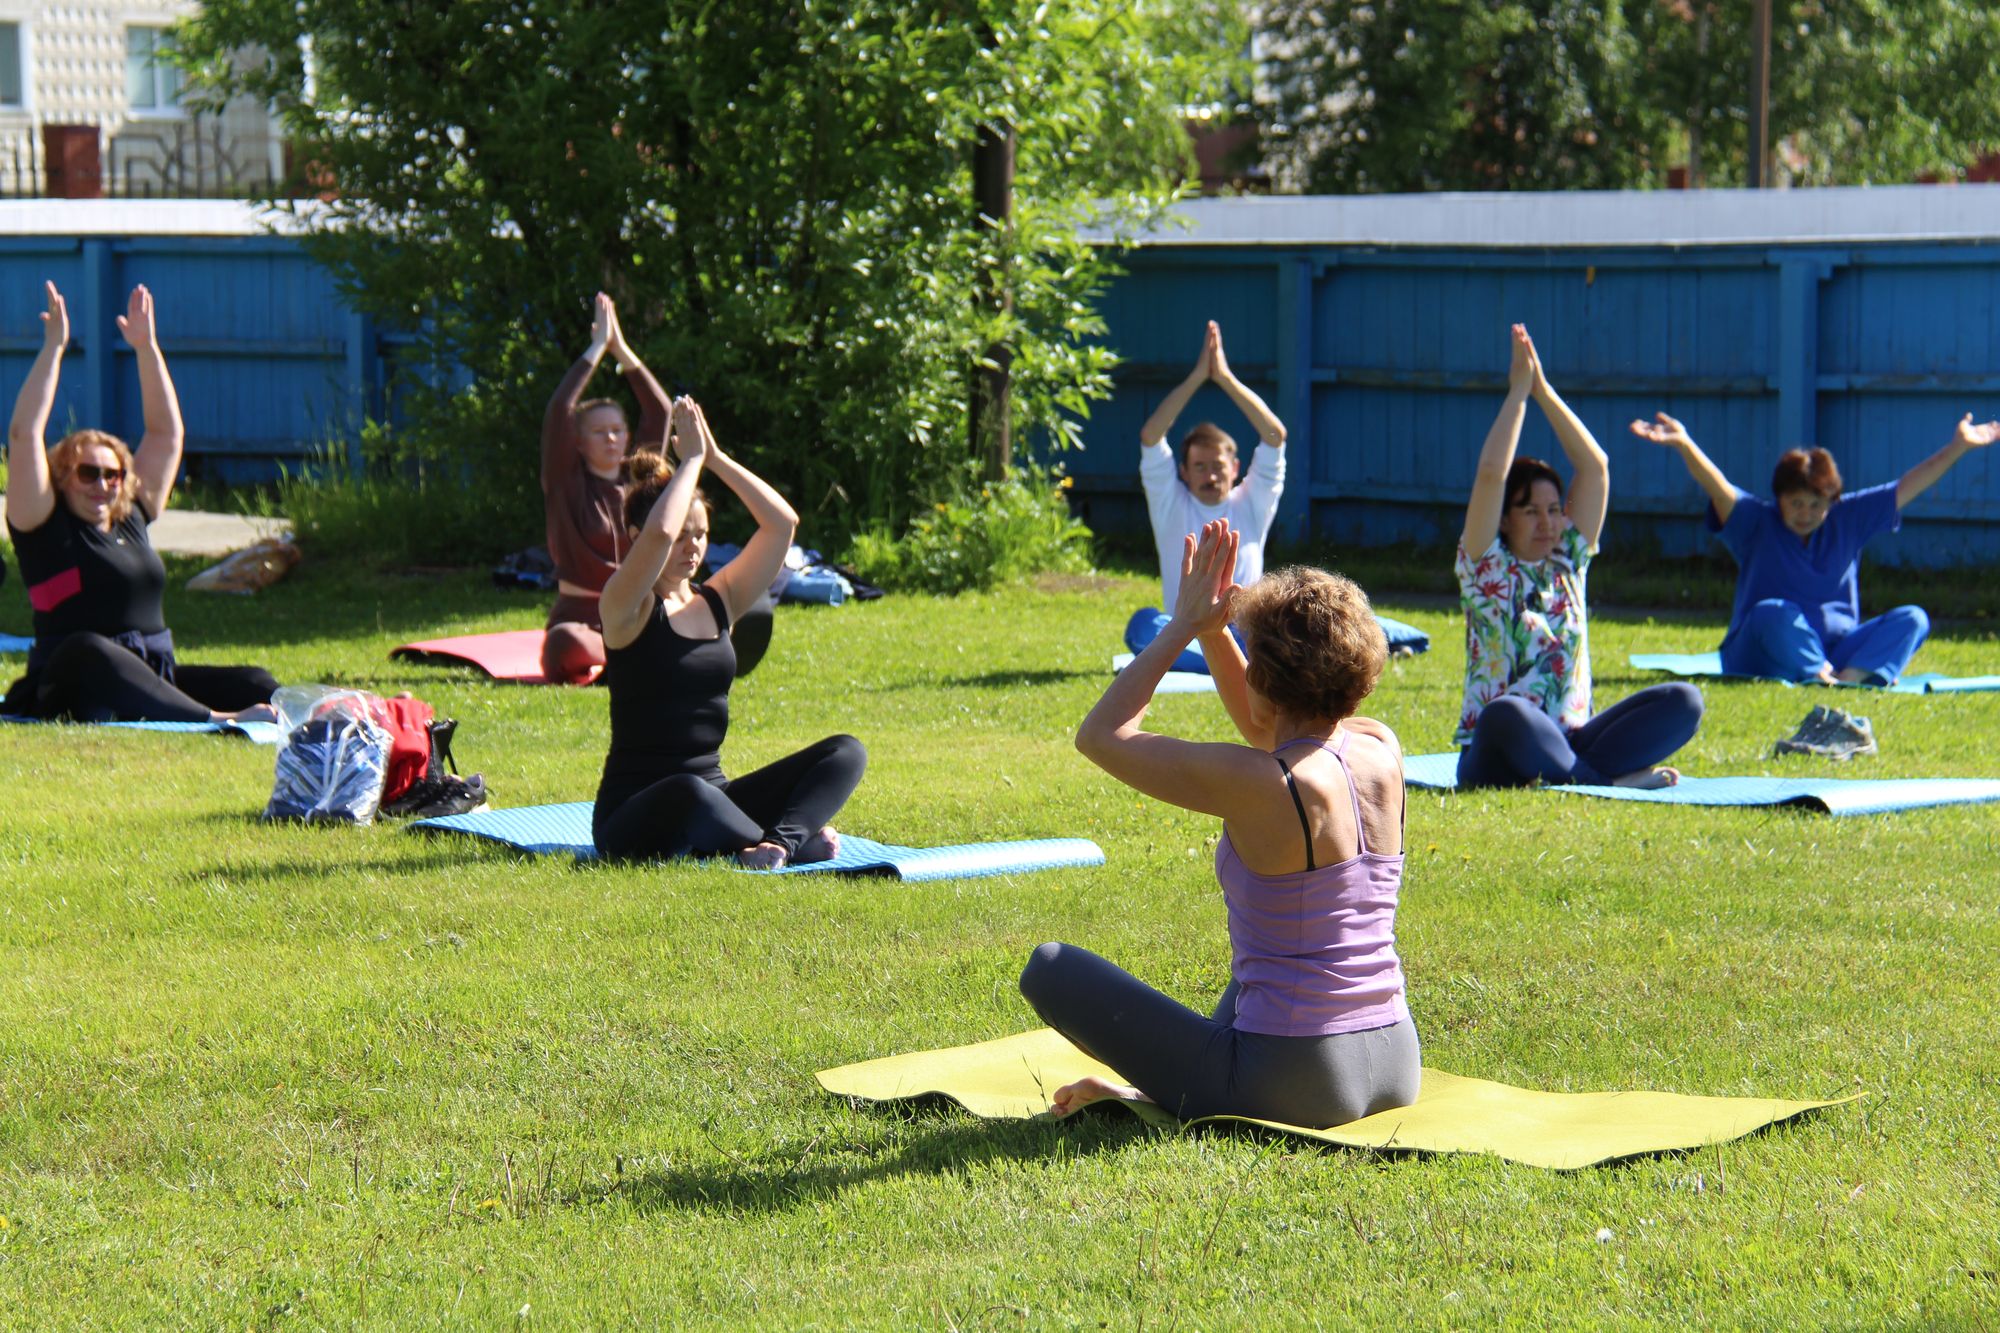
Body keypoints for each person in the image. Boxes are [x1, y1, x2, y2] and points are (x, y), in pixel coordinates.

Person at [1020, 520, 1419, 1128]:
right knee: (1267, 969)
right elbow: (1273, 730)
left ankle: (1166, 1091)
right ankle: (1154, 1091)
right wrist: (1215, 633)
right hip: (1395, 1057)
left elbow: (1101, 736)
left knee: (1049, 968)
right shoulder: (1379, 749)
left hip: (1295, 1078)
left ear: (1266, 679)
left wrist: (1180, 627)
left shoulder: (1266, 784)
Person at [591, 397, 865, 869]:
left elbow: (782, 525)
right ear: (636, 537)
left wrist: (714, 457)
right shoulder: (624, 606)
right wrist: (691, 462)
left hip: (716, 798)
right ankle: (783, 846)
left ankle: (777, 845)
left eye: (700, 534)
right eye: (682, 535)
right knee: (687, 791)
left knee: (845, 751)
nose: (692, 546)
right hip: (633, 815)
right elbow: (658, 534)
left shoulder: (719, 600)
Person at [3, 281, 278, 724]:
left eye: (113, 475)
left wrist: (146, 347)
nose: (104, 485)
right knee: (88, 646)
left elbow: (167, 435)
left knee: (256, 680)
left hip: (153, 673)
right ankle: (219, 719)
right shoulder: (39, 521)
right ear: (62, 477)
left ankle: (338, 711)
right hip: (75, 679)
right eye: (89, 473)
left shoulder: (130, 516)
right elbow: (24, 435)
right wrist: (53, 349)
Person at [1454, 325, 1702, 790]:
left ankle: (1579, 773)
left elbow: (1595, 467)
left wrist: (1544, 390)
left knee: (1684, 699)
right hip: (1497, 750)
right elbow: (1491, 474)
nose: (1548, 522)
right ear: (1505, 520)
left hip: (1573, 741)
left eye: (1553, 510)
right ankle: (1602, 783)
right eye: (1530, 511)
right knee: (1508, 712)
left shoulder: (1569, 562)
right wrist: (1518, 395)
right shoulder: (1484, 567)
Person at [1630, 410, 2000, 686]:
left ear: (1832, 501)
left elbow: (1908, 486)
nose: (1805, 514)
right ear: (1779, 499)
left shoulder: (1848, 517)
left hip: (1835, 649)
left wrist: (1958, 448)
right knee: (1772, 611)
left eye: (1815, 505)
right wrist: (1684, 444)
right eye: (1796, 504)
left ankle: (1851, 679)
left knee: (1914, 618)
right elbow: (1717, 485)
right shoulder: (1756, 520)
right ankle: (1819, 675)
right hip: (1758, 651)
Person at [1126, 321, 1287, 674]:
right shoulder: (1171, 504)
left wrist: (1225, 378)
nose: (1210, 475)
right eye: (1200, 467)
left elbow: (1275, 436)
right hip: (1181, 631)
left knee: (1286, 627)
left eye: (1218, 466)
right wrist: (1199, 377)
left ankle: (1223, 659)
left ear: (1236, 468)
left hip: (1246, 631)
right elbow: (1151, 436)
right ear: (1183, 471)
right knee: (1143, 625)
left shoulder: (1251, 502)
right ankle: (1225, 662)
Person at [539, 291, 672, 684]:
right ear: (579, 442)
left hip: (634, 616)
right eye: (599, 432)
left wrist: (623, 350)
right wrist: (597, 349)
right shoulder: (565, 482)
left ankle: (628, 656)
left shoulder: (640, 478)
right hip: (581, 624)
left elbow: (661, 412)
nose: (611, 439)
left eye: (617, 430)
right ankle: (623, 659)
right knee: (565, 643)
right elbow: (560, 410)